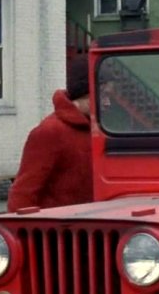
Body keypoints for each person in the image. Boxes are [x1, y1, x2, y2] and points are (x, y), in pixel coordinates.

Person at [7, 55, 94, 212]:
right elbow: (23, 193)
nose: (109, 102)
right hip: (56, 231)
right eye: (105, 95)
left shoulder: (101, 129)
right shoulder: (49, 132)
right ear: (88, 95)